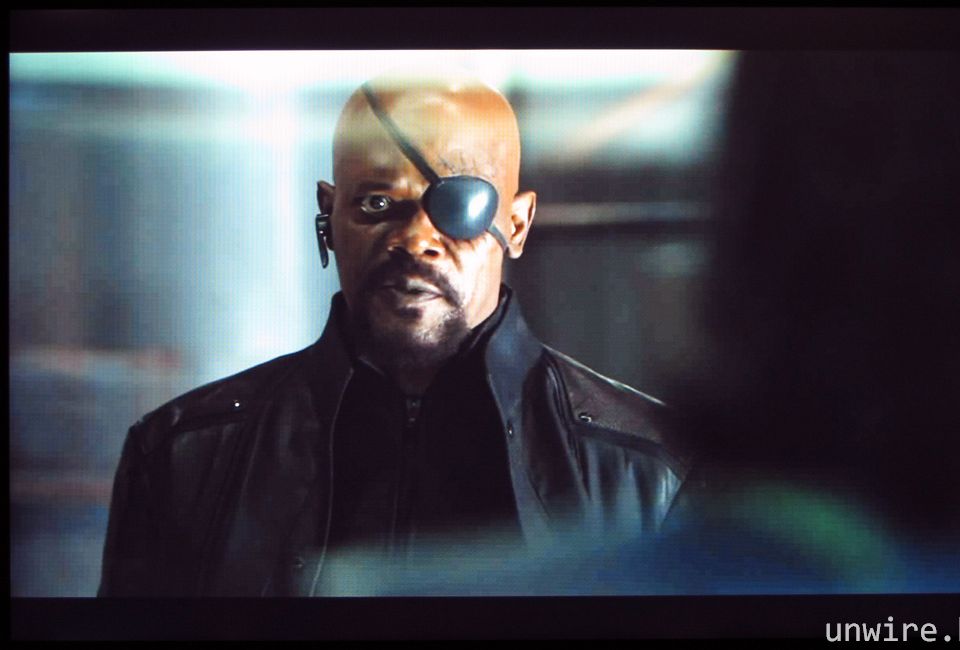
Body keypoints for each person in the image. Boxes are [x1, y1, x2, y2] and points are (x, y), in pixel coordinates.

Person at [98, 71, 693, 597]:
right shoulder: (181, 456)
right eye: (377, 203)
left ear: (515, 223)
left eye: (456, 206)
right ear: (329, 214)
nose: (414, 241)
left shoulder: (657, 466)